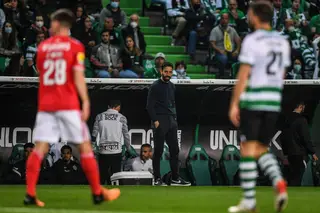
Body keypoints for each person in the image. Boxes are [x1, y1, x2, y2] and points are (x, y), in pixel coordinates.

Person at [23, 9, 120, 207]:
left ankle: (30, 194)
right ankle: (97, 193)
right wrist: (85, 101)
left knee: (40, 148)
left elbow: (41, 72)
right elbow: (77, 76)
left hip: (46, 105)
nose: (50, 26)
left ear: (61, 24)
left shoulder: (42, 47)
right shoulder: (75, 46)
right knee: (84, 147)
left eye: (52, 23)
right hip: (67, 105)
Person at [228, 1, 291, 212]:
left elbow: (244, 74)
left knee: (247, 148)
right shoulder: (283, 41)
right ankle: (279, 185)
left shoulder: (252, 39)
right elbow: (282, 75)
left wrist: (235, 104)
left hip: (254, 99)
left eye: (249, 13)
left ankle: (249, 200)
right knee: (261, 148)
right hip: (273, 101)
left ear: (255, 16)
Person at [146, 61, 190, 186]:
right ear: (161, 71)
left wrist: (174, 119)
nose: (168, 74)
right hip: (160, 121)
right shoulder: (155, 86)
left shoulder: (172, 86)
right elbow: (149, 106)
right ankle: (157, 178)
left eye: (170, 72)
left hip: (171, 121)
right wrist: (156, 121)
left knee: (175, 150)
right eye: (166, 72)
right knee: (159, 151)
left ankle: (175, 178)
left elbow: (172, 103)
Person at [92, 100, 131, 185]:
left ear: (108, 106)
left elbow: (94, 133)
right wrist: (128, 148)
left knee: (102, 175)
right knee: (116, 175)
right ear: (118, 107)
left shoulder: (100, 116)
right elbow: (126, 135)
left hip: (103, 150)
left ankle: (100, 193)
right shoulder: (121, 117)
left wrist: (93, 147)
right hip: (116, 151)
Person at [280, 101, 318, 186]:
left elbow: (283, 137)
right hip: (299, 153)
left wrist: (285, 151)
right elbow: (305, 138)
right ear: (300, 106)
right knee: (297, 177)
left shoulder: (286, 120)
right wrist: (312, 152)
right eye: (303, 107)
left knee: (291, 176)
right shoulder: (301, 120)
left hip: (289, 153)